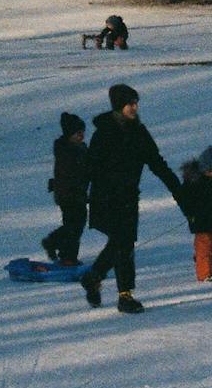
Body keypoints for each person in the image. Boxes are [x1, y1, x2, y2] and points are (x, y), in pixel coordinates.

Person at [81, 84, 186, 316]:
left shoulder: (139, 132)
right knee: (122, 242)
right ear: (120, 105)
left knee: (122, 243)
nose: (135, 107)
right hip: (105, 198)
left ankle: (95, 277)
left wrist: (179, 193)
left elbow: (157, 164)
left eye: (136, 102)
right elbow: (89, 167)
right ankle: (123, 295)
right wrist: (79, 196)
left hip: (128, 198)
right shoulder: (104, 133)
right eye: (131, 103)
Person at [42, 113, 89, 266]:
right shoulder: (65, 151)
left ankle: (54, 243)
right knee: (73, 225)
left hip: (77, 193)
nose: (81, 136)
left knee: (77, 223)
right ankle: (67, 256)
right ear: (69, 135)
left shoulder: (80, 148)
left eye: (83, 132)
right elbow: (71, 173)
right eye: (78, 133)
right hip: (68, 194)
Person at [178, 146, 212, 281]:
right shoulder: (193, 183)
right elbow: (184, 200)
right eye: (209, 170)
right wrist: (190, 213)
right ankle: (205, 274)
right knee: (205, 244)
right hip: (200, 220)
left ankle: (201, 259)